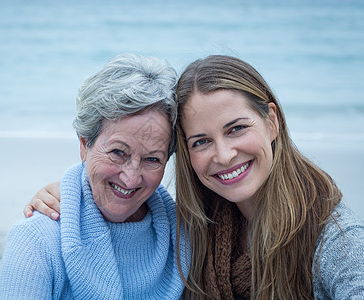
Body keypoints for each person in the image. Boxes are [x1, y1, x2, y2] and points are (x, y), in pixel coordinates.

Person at [26, 55, 364, 299]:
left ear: (272, 121)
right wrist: (74, 194)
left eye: (237, 129)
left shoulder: (336, 239)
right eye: (201, 141)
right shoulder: (195, 226)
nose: (224, 154)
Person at [0, 53, 190, 299]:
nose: (131, 178)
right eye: (118, 152)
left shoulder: (186, 241)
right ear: (84, 144)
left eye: (152, 159)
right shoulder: (36, 240)